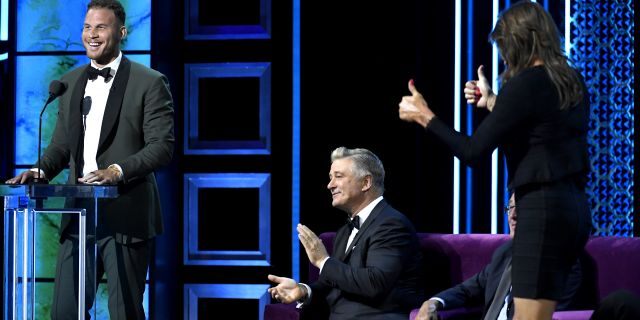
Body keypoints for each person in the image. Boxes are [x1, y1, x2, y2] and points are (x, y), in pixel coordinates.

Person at [397, 2, 591, 319]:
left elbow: (473, 152)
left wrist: (426, 117)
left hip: (539, 210)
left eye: (504, 47)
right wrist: (492, 102)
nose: (504, 57)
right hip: (573, 211)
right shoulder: (570, 81)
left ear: (518, 42)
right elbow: (540, 125)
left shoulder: (525, 83)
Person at [5, 0, 174, 318]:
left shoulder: (149, 83)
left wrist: (117, 170)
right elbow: (61, 147)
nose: (91, 35)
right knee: (64, 312)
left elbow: (161, 147)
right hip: (78, 217)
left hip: (126, 215)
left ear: (121, 32)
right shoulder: (68, 83)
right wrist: (39, 170)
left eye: (101, 27)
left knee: (125, 311)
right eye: (86, 27)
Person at [267, 147, 424, 319]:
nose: (330, 185)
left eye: (338, 176)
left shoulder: (392, 224)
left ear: (366, 183)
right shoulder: (344, 231)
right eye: (330, 177)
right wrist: (304, 290)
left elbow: (374, 284)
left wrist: (322, 260)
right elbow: (335, 286)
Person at [415, 194, 582, 320]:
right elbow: (467, 290)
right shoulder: (505, 253)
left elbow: (555, 315)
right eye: (510, 208)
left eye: (522, 208)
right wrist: (433, 302)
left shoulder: (562, 261)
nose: (512, 216)